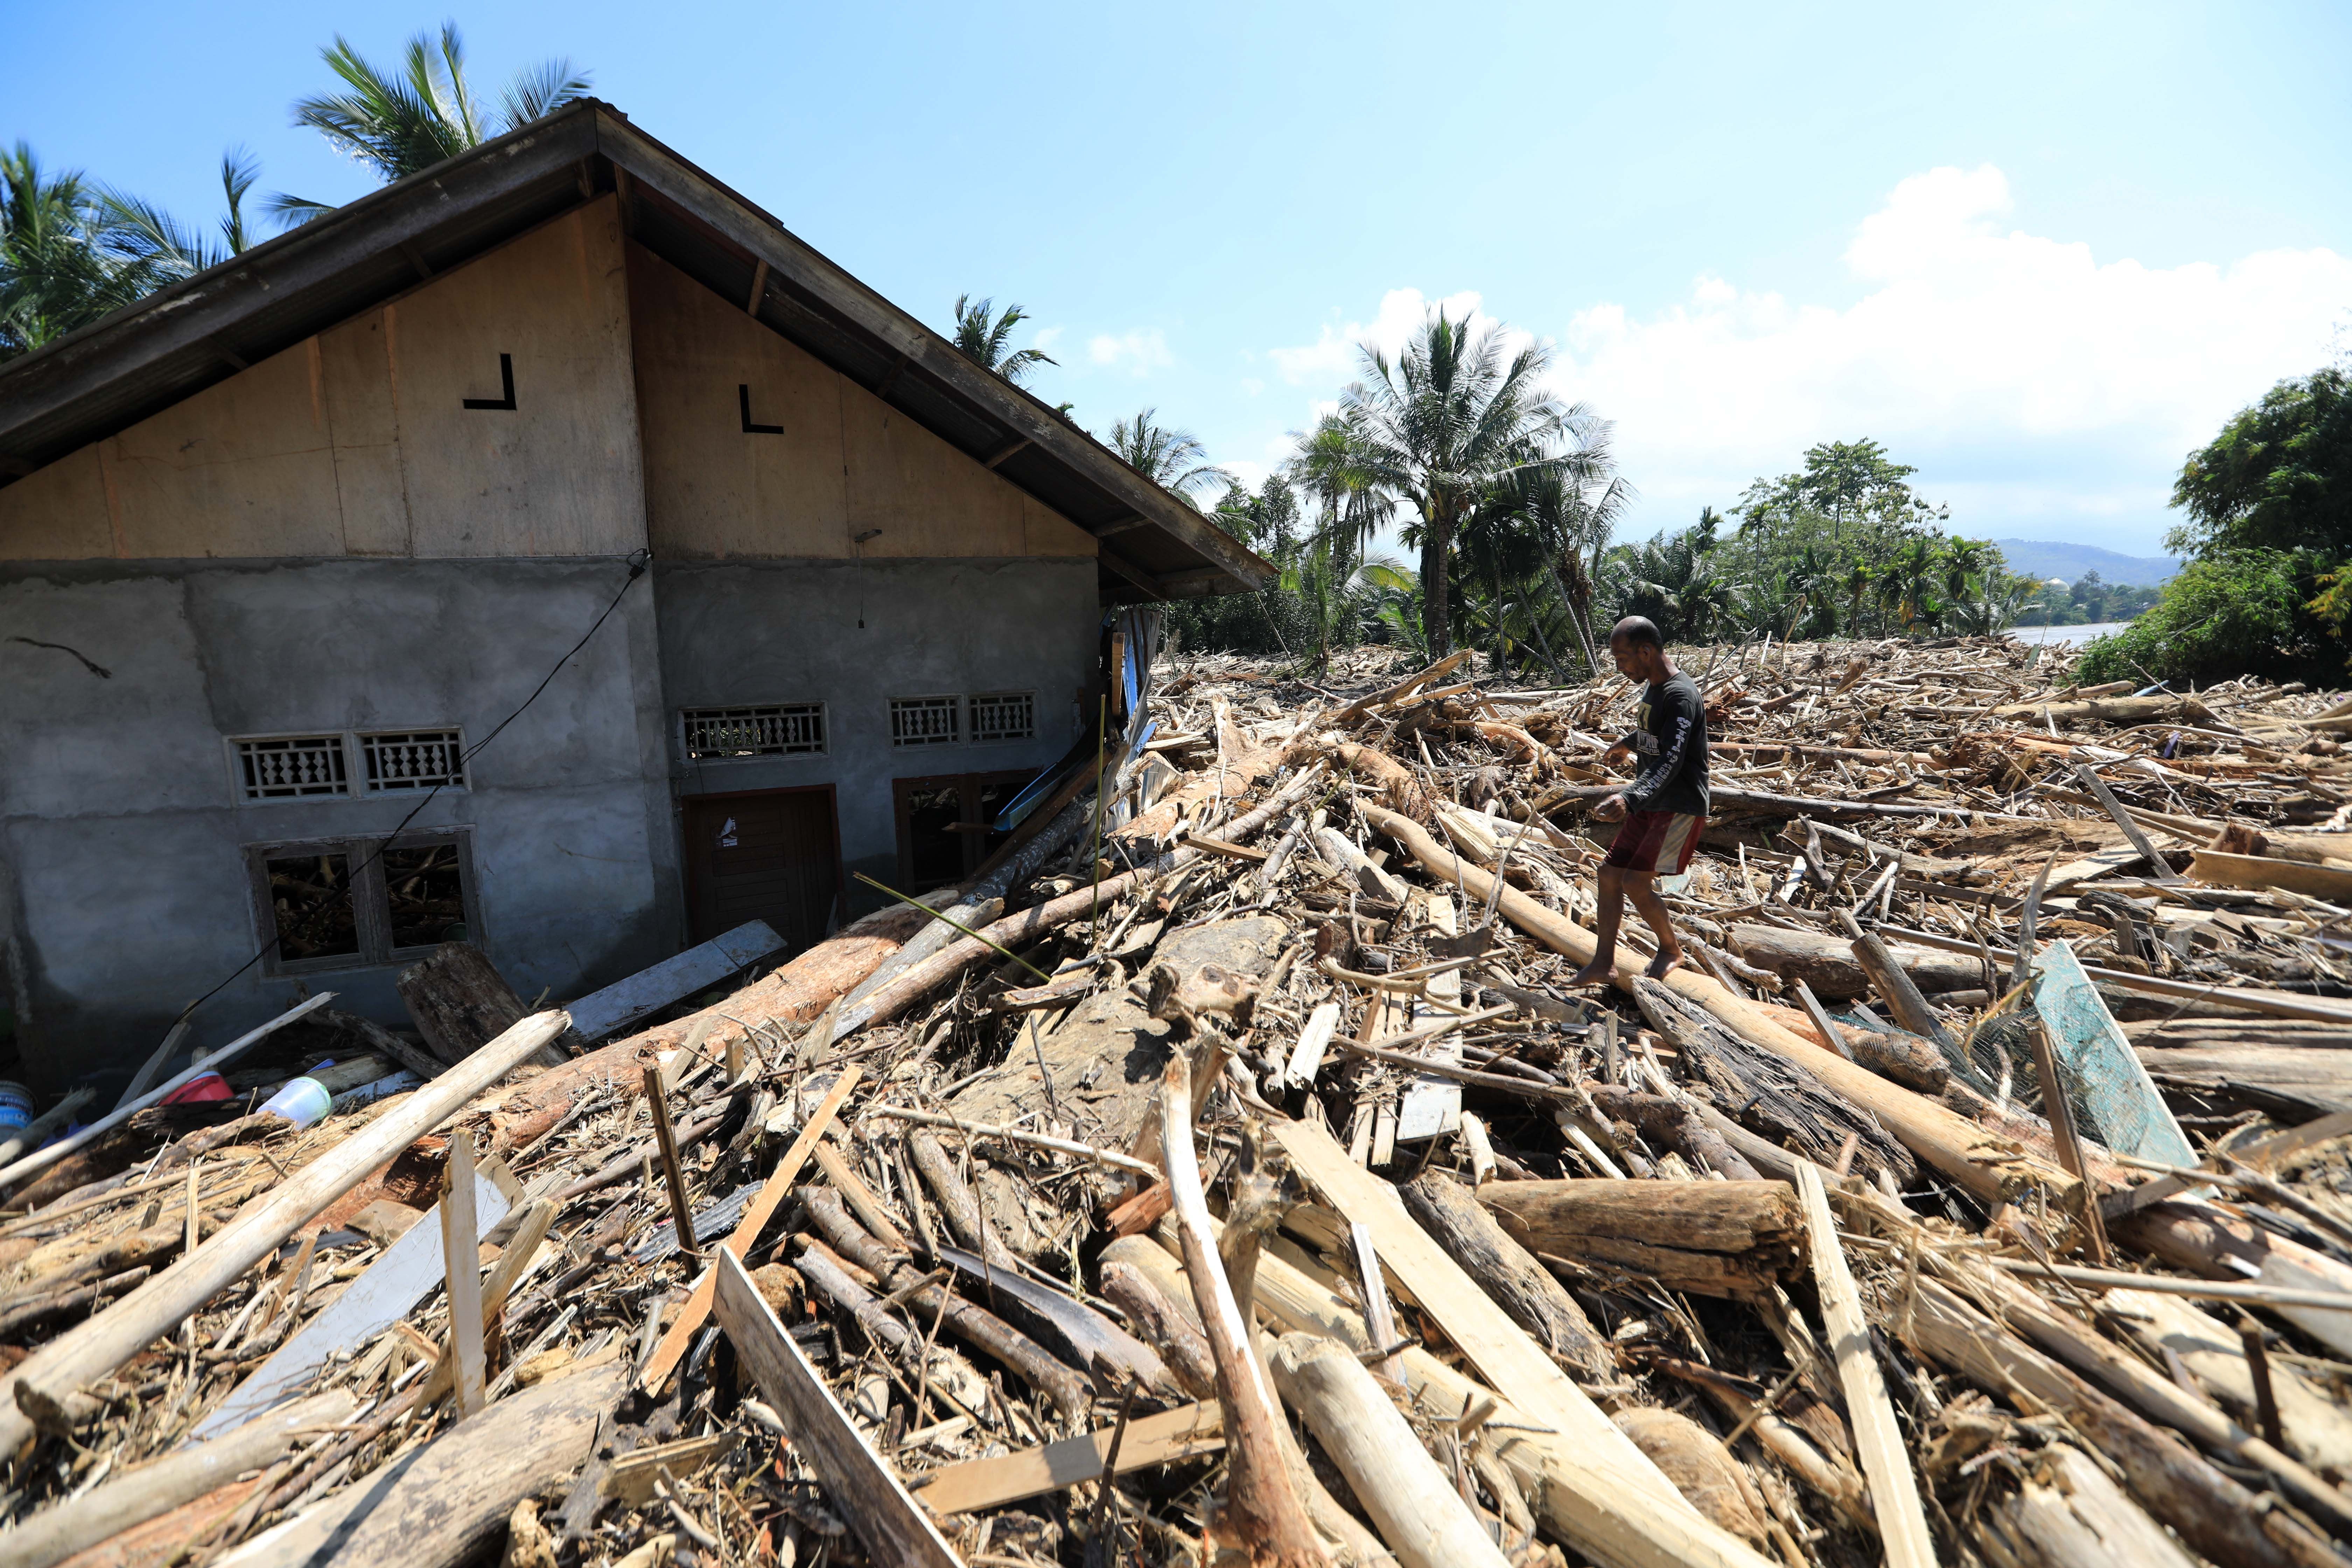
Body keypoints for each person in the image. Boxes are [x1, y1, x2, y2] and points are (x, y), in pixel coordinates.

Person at [1571, 616, 1708, 985]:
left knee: (1634, 881)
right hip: (1651, 801)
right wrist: (1628, 743)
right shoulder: (1657, 687)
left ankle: (1671, 949)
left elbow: (1672, 758)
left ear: (1646, 651)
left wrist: (1629, 797)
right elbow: (1655, 730)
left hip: (1677, 805)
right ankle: (1603, 963)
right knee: (1609, 874)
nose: (1620, 667)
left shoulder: (1681, 694)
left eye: (1622, 658)